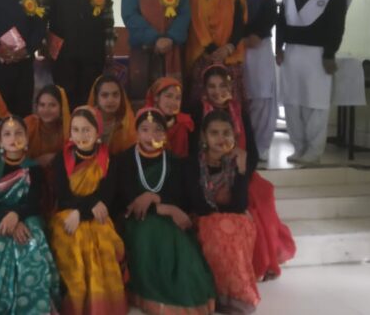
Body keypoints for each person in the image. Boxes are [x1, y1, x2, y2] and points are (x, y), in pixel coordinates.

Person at [194, 64, 296, 282]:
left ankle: (262, 262)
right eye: (211, 86)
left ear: (231, 86)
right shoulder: (197, 111)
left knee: (260, 195)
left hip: (240, 171)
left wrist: (242, 173)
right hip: (209, 173)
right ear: (204, 88)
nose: (217, 91)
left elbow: (252, 151)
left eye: (222, 85)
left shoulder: (238, 111)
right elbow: (194, 151)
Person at [115, 107, 215, 314]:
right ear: (136, 132)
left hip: (170, 217)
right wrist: (161, 207)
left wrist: (156, 199)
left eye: (157, 130)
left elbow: (182, 197)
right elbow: (128, 200)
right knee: (154, 234)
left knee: (182, 244)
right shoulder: (124, 160)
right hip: (137, 219)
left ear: (166, 133)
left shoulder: (174, 161)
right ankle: (157, 297)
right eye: (145, 129)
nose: (151, 136)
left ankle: (188, 297)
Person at [0, 116, 60, 314]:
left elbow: (34, 204)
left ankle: (36, 306)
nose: (13, 138)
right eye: (7, 134)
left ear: (26, 138)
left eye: (19, 133)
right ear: (0, 141)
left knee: (31, 240)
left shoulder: (33, 168)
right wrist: (9, 218)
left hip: (28, 216)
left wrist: (16, 216)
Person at [277, 0, 351, 165]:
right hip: (292, 53)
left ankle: (314, 150)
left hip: (317, 55)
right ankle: (299, 146)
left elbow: (336, 26)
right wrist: (278, 47)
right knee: (292, 101)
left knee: (315, 103)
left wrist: (329, 54)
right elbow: (281, 21)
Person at [49, 107, 127, 315]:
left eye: (86, 130)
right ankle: (75, 303)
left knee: (101, 240)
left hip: (97, 217)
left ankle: (100, 306)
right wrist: (85, 207)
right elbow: (64, 196)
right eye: (76, 130)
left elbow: (106, 197)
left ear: (97, 131)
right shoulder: (61, 159)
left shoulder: (109, 160)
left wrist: (81, 211)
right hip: (66, 214)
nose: (81, 135)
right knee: (74, 240)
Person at [186, 109, 260, 314]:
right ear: (204, 137)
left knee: (236, 227)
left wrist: (242, 170)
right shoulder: (192, 164)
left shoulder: (237, 162)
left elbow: (240, 204)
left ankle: (236, 296)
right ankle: (220, 294)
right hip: (203, 218)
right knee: (221, 230)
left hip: (234, 219)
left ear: (234, 136)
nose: (221, 138)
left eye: (226, 133)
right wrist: (222, 214)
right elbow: (199, 205)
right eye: (214, 133)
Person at [122, 0, 191, 99]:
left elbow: (185, 12)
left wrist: (171, 38)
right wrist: (155, 38)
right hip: (143, 49)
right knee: (142, 95)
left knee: (171, 94)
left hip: (172, 49)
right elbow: (129, 14)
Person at [229, 0, 278, 162]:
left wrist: (258, 34)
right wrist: (235, 39)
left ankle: (260, 147)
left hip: (258, 44)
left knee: (260, 95)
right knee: (235, 95)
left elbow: (271, 11)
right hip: (232, 45)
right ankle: (236, 146)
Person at [186, 0, 247, 104]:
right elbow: (193, 23)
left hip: (228, 55)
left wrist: (228, 48)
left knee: (229, 100)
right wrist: (212, 50)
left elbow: (239, 24)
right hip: (202, 54)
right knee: (201, 101)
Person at [24, 84, 71, 216]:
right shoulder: (29, 124)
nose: (46, 110)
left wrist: (56, 156)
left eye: (52, 105)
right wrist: (35, 162)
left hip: (61, 183)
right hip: (31, 182)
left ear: (62, 107)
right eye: (42, 105)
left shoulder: (69, 127)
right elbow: (15, 155)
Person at [87, 75, 136, 156]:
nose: (110, 100)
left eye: (115, 95)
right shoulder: (86, 121)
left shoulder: (125, 122)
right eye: (104, 95)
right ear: (96, 99)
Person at [145, 77, 194, 158]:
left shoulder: (184, 123)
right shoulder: (144, 122)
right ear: (156, 97)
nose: (173, 102)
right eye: (168, 96)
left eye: (178, 98)